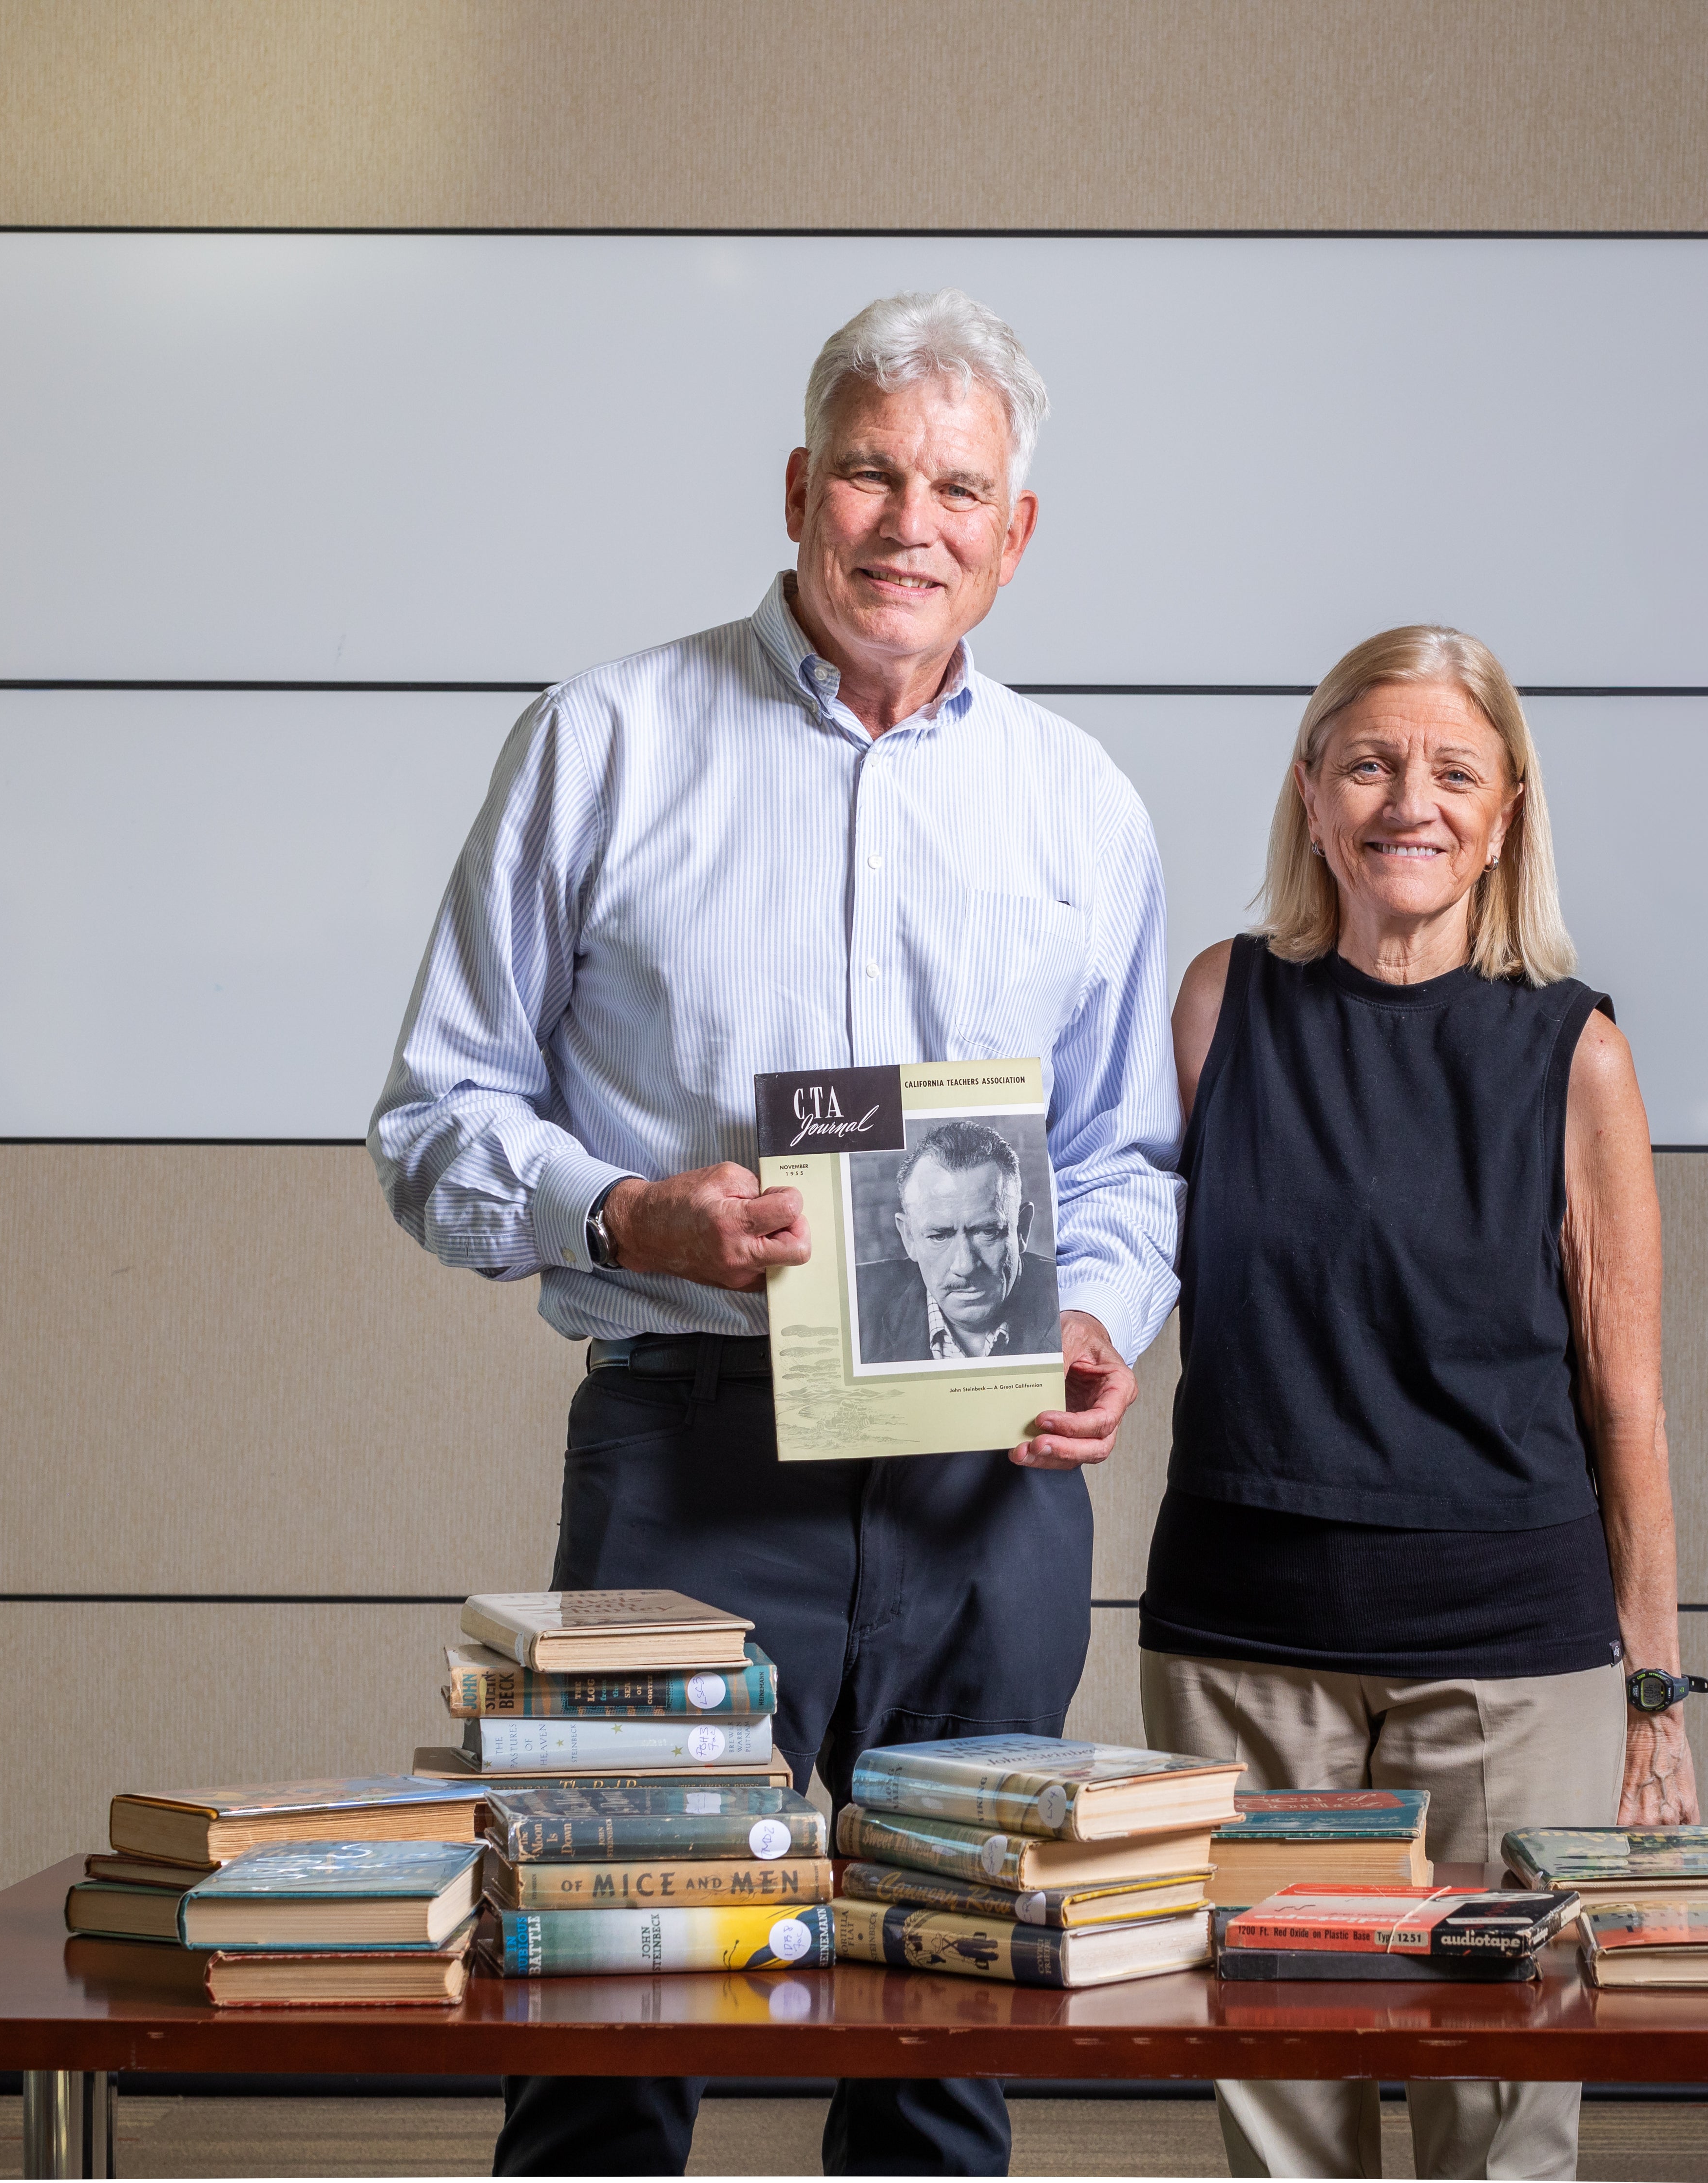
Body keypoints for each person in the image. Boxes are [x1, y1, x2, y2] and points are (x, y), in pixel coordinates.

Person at [369, 289, 1179, 2178]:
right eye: (876, 475)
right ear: (802, 486)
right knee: (611, 1996)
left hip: (983, 1473)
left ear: (1018, 528)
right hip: (687, 1446)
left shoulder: (1080, 802)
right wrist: (627, 1209)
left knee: (951, 2013)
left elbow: (1127, 1154)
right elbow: (435, 1119)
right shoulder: (606, 739)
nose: (914, 524)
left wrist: (1092, 1312)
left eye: (960, 487)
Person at [1137, 626, 1696, 2183]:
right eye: (1370, 762)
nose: (1410, 801)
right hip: (1239, 1644)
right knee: (1283, 2102)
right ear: (1311, 793)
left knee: (1495, 2110)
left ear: (1506, 809)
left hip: (1510, 1659)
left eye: (1452, 769)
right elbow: (1111, 1249)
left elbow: (1626, 1398)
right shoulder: (1214, 1004)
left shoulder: (1572, 1049)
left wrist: (1650, 1695)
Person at [856, 1119, 1064, 1361]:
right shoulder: (853, 1304)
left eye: (987, 1232)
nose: (965, 1267)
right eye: (940, 1236)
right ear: (909, 1237)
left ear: (1022, 1229)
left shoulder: (1072, 1303)